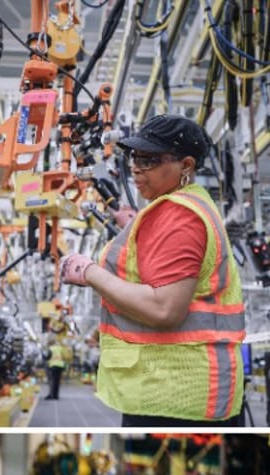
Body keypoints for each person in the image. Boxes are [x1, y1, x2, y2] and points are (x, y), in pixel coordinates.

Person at [60, 113, 245, 426]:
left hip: (176, 397)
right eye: (134, 156)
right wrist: (137, 226)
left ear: (186, 166)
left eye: (149, 160)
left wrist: (89, 271)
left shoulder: (180, 217)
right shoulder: (183, 207)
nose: (135, 167)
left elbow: (164, 309)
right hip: (176, 392)